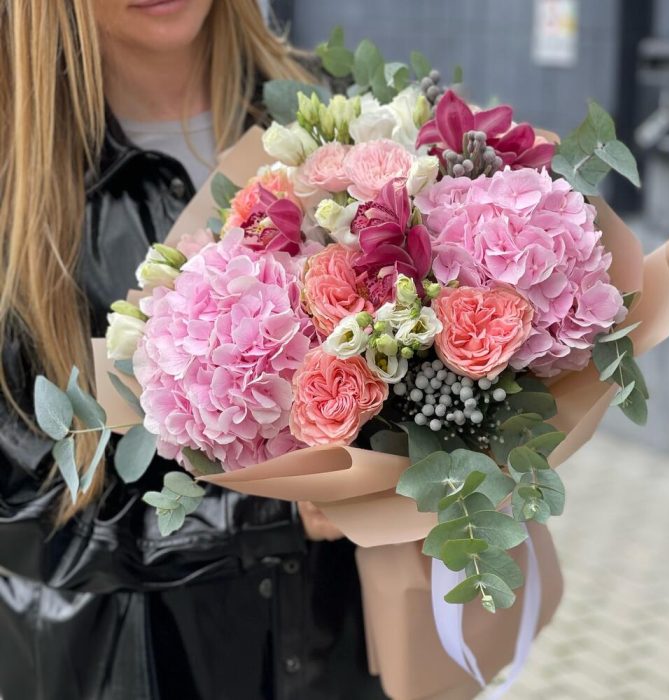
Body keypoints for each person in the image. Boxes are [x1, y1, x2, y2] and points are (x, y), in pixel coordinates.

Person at [0, 1, 387, 698]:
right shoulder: (15, 181)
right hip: (132, 664)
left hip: (339, 647)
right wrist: (265, 513)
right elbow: (18, 502)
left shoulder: (335, 113)